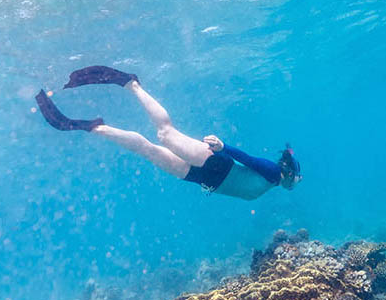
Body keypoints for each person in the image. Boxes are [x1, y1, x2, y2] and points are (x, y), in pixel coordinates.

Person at [35, 66, 301, 200]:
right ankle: (131, 83)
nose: (295, 184)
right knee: (165, 134)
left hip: (201, 179)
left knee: (149, 151)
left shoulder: (273, 183)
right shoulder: (274, 173)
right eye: (297, 179)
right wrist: (223, 147)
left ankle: (92, 126)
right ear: (289, 172)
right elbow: (250, 160)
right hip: (216, 163)